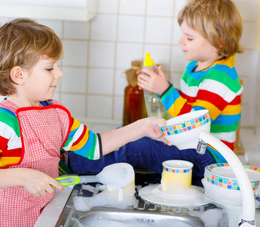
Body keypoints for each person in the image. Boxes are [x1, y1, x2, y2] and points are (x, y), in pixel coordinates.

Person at [0, 18, 169, 227]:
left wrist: (142, 127)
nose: (58, 73)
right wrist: (23, 176)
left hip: (41, 221)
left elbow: (95, 146)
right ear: (19, 75)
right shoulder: (3, 120)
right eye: (50, 67)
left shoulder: (56, 113)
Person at [67, 0, 244, 185]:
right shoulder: (196, 66)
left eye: (189, 38)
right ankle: (79, 154)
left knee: (135, 148)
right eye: (183, 34)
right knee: (128, 134)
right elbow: (188, 105)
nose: (180, 40)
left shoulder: (221, 77)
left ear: (219, 42)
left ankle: (71, 162)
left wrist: (165, 90)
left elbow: (194, 124)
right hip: (194, 147)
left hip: (211, 157)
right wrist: (160, 87)